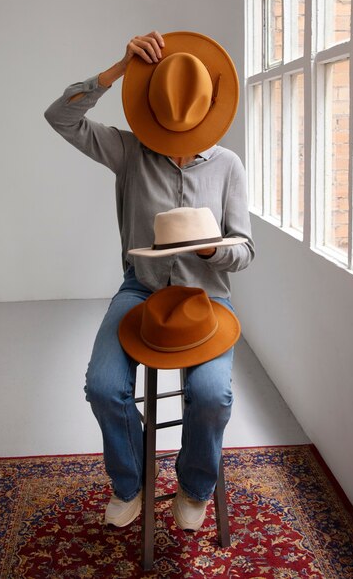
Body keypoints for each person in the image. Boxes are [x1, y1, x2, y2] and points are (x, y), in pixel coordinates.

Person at [44, 30, 255, 531]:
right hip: (141, 289)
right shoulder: (130, 151)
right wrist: (116, 72)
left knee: (212, 396)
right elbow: (61, 117)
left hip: (207, 300)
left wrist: (210, 247)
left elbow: (245, 252)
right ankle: (129, 481)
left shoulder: (228, 166)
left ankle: (194, 483)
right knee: (103, 386)